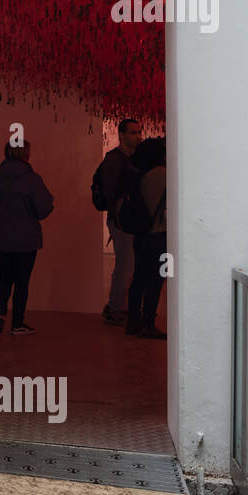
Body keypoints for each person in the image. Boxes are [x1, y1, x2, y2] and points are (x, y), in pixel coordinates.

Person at [0, 139, 54, 336]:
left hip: (1, 235)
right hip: (26, 237)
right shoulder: (32, 180)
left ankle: (0, 314)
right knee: (22, 281)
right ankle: (18, 323)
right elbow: (44, 208)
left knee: (4, 277)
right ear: (26, 154)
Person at [98, 118, 143, 325]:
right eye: (133, 132)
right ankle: (116, 308)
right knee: (126, 266)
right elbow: (110, 191)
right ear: (122, 135)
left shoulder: (134, 158)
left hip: (132, 220)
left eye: (138, 132)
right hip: (123, 220)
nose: (138, 136)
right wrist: (118, 217)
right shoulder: (114, 160)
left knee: (129, 266)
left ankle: (118, 307)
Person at [126, 136, 168, 339]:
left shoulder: (142, 175)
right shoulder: (162, 174)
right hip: (158, 235)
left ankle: (133, 321)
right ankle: (148, 322)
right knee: (156, 280)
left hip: (142, 235)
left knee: (139, 278)